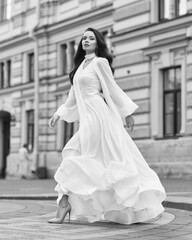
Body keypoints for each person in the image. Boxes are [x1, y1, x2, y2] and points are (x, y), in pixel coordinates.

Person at [48, 27, 166, 225]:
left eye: (91, 38)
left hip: (100, 118)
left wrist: (126, 113)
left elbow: (112, 88)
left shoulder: (100, 62)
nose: (86, 41)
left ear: (98, 43)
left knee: (82, 157)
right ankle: (65, 203)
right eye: (84, 38)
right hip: (87, 120)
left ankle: (65, 204)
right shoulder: (79, 68)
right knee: (81, 157)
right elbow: (72, 98)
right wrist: (58, 113)